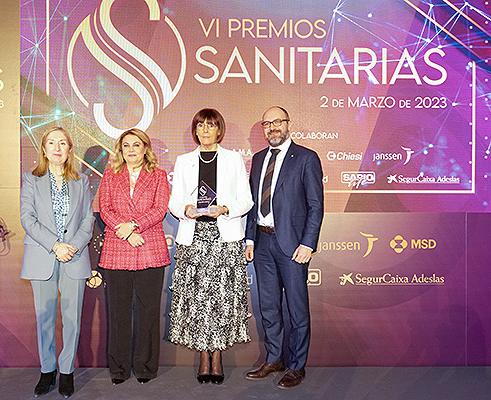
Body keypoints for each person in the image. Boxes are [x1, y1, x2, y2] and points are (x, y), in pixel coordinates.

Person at [168, 108, 253, 384]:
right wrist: (186, 209)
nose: (205, 131)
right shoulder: (183, 161)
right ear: (195, 130)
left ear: (219, 130)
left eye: (210, 126)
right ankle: (203, 357)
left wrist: (226, 208)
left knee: (221, 300)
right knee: (197, 301)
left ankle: (217, 357)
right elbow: (174, 202)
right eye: (200, 126)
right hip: (193, 240)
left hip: (224, 239)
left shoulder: (233, 160)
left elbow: (247, 200)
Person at [244, 106, 324, 389]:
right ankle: (274, 358)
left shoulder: (306, 158)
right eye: (267, 123)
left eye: (277, 121)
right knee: (269, 306)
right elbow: (254, 204)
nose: (272, 127)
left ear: (288, 124)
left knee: (297, 308)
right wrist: (250, 239)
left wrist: (307, 244)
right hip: (263, 244)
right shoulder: (257, 159)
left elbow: (315, 206)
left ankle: (296, 365)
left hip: (293, 246)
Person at [20, 127, 95, 398]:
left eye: (62, 143)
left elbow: (88, 219)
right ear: (43, 148)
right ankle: (47, 371)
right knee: (45, 320)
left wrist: (71, 246)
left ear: (69, 149)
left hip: (74, 257)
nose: (56, 147)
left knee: (72, 319)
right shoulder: (31, 179)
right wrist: (55, 245)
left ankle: (66, 373)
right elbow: (28, 218)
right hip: (43, 257)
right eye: (51, 142)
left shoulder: (81, 180)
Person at [98, 128, 170, 385]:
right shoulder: (109, 175)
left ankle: (146, 367)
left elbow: (160, 209)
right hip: (118, 248)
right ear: (121, 150)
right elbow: (104, 209)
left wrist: (135, 226)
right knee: (118, 312)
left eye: (136, 145)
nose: (131, 150)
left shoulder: (159, 176)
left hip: (150, 248)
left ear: (145, 149)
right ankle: (119, 369)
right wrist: (126, 232)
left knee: (148, 311)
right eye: (126, 145)